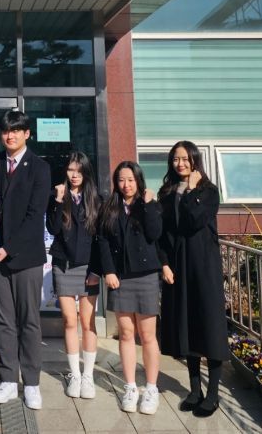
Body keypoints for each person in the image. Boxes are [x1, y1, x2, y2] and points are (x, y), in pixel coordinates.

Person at [0, 110, 52, 410]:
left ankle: (31, 383)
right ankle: (8, 379)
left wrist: (8, 248)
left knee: (29, 321)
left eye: (16, 130)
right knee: (4, 321)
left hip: (25, 256)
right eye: (6, 131)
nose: (10, 135)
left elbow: (35, 216)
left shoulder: (40, 167)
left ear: (27, 134)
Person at [158, 141, 230, 417]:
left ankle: (213, 394)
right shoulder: (167, 192)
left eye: (186, 159)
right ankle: (194, 390)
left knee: (209, 326)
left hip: (203, 267)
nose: (181, 164)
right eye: (176, 159)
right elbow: (164, 234)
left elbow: (195, 219)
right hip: (178, 266)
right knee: (186, 327)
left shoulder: (208, 192)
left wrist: (190, 190)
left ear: (195, 161)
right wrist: (164, 263)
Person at [97, 161, 163, 415]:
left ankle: (151, 388)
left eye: (131, 180)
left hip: (146, 276)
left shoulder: (148, 204)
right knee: (125, 333)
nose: (126, 185)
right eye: (121, 180)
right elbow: (102, 241)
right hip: (120, 277)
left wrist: (148, 205)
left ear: (139, 181)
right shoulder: (109, 207)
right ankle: (131, 387)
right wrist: (109, 271)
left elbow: (155, 234)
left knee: (147, 335)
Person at [46, 152, 101, 400]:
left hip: (89, 266)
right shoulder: (58, 196)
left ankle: (88, 375)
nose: (74, 175)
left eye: (79, 170)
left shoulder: (96, 199)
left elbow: (100, 239)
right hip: (64, 264)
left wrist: (97, 269)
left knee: (88, 322)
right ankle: (75, 375)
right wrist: (58, 200)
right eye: (70, 170)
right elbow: (53, 228)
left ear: (86, 172)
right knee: (69, 320)